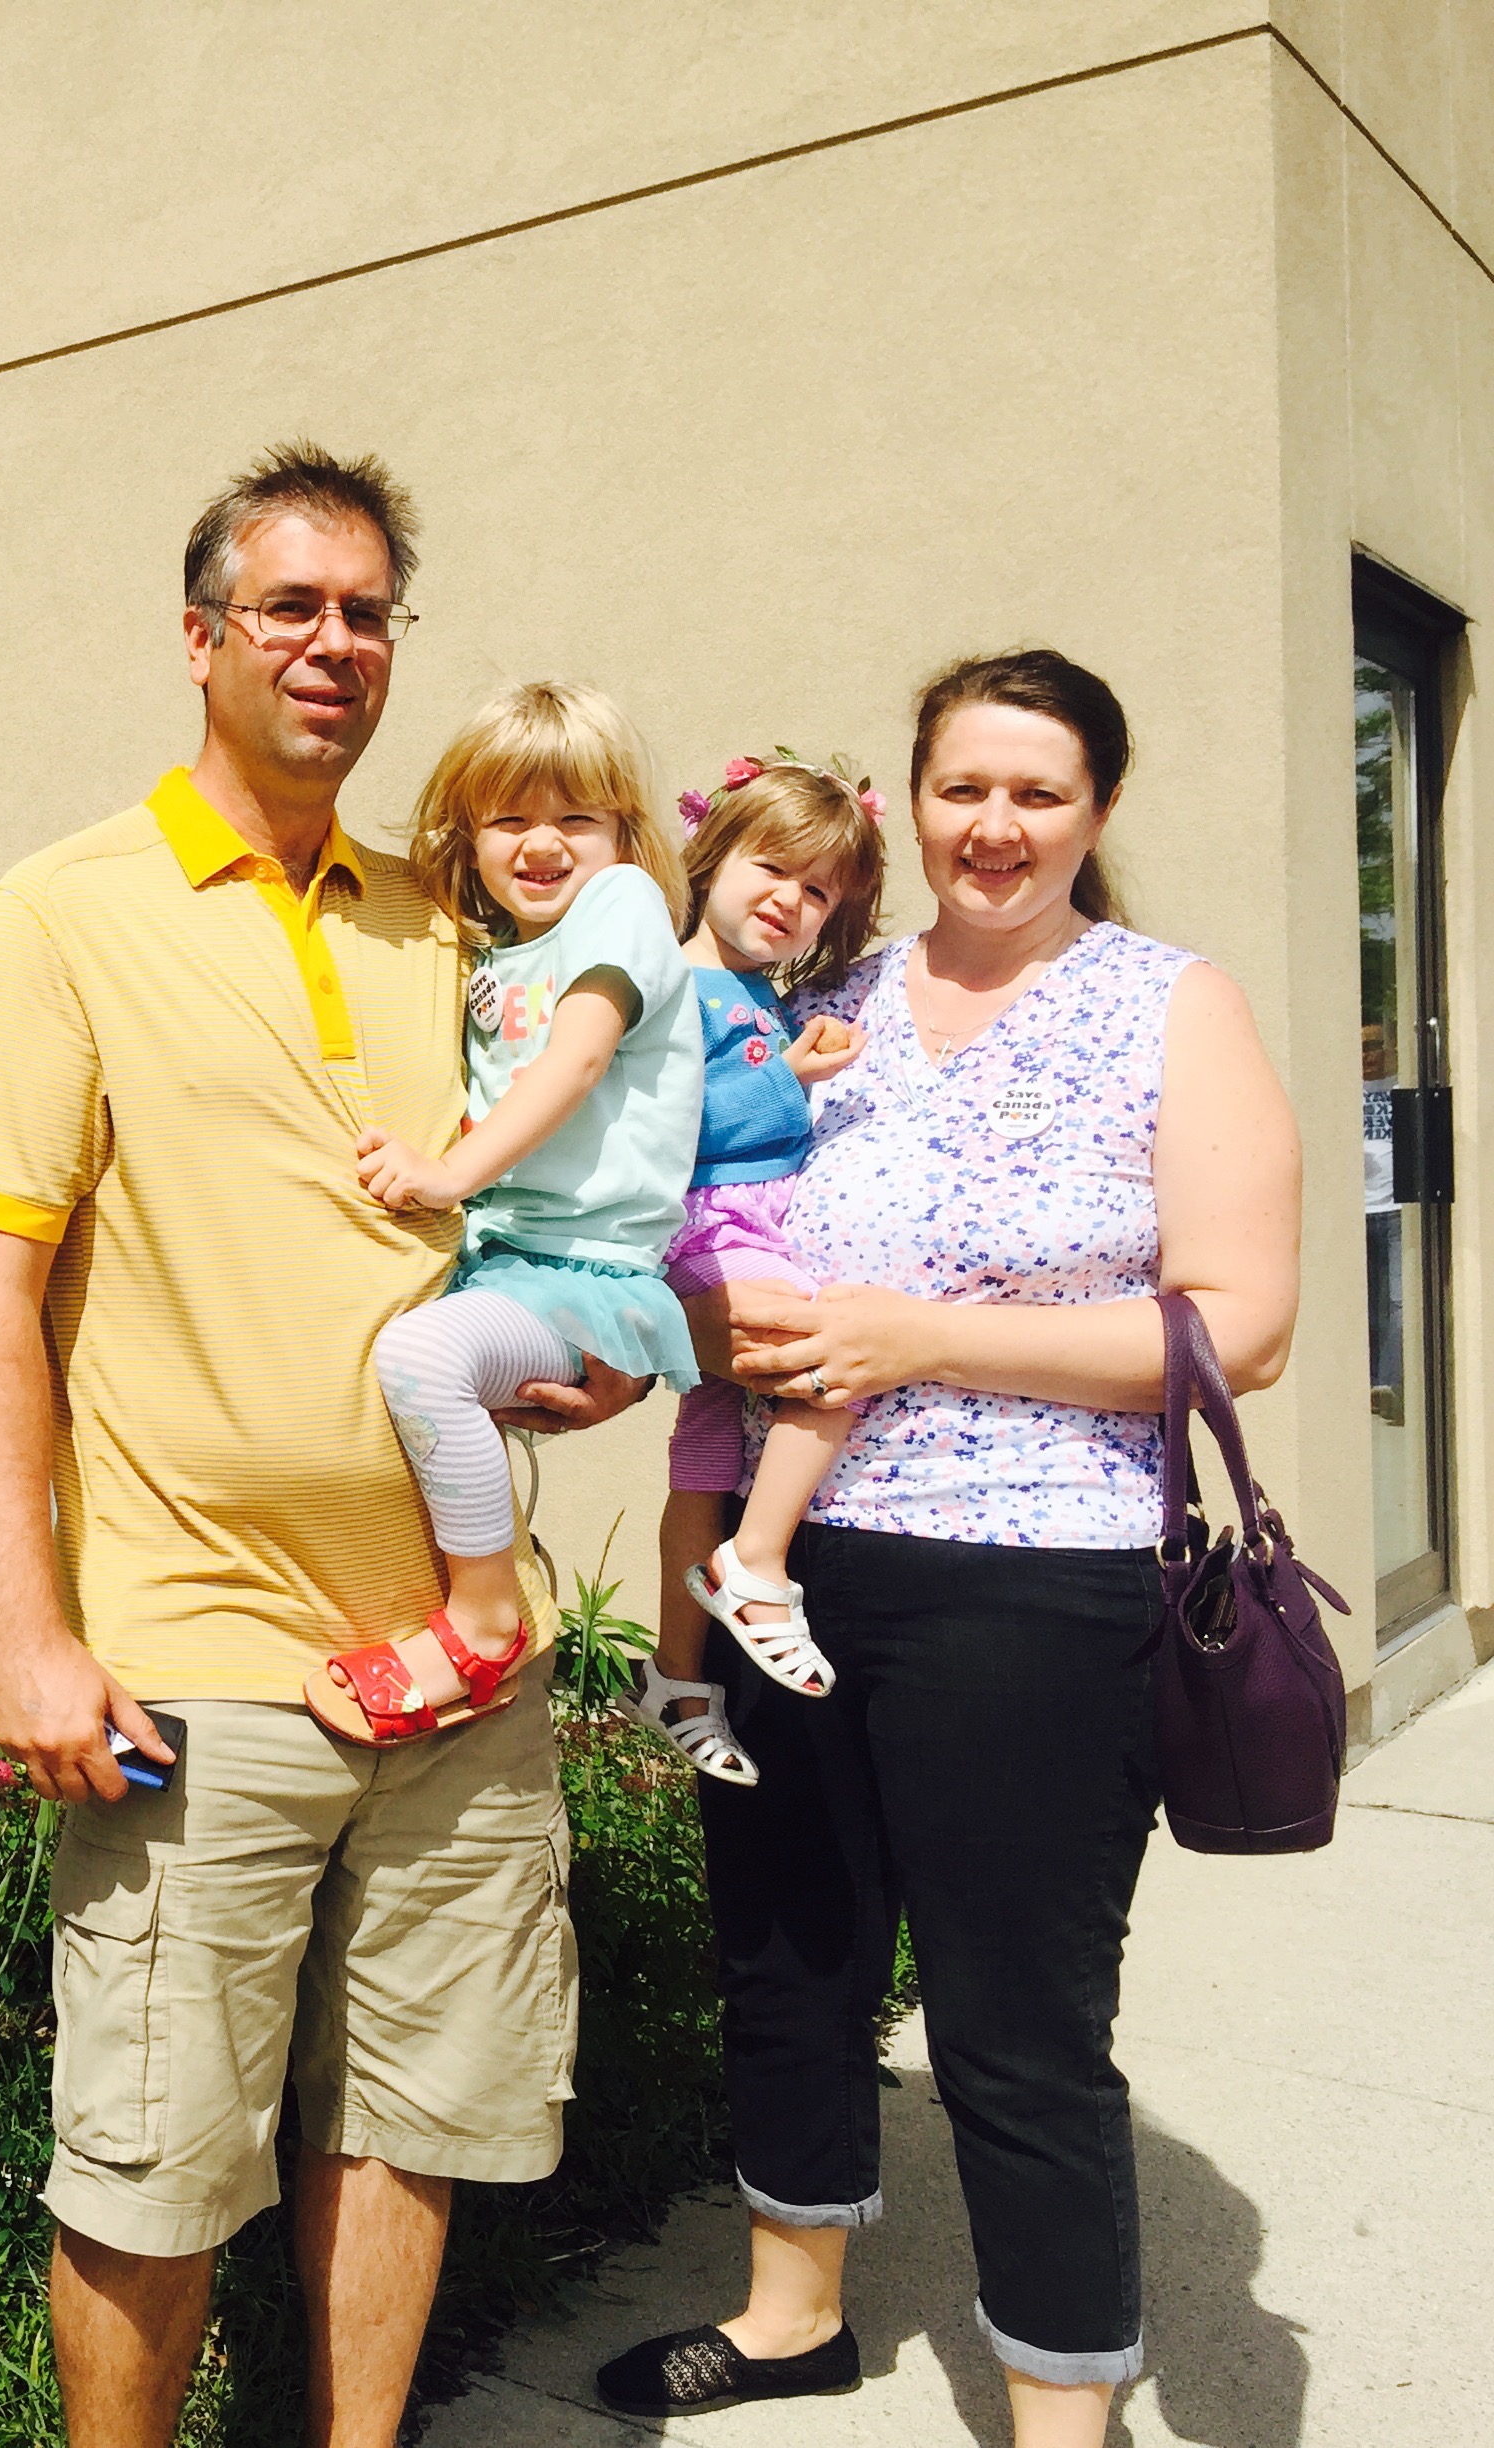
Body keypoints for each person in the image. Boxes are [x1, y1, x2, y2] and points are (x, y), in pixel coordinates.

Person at [0, 442, 647, 2448]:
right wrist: (27, 1630)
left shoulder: (449, 927)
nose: (334, 645)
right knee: (152, 2165)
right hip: (193, 1661)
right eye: (291, 608)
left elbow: (550, 1211)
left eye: (369, 611)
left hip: (448, 1662)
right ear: (202, 638)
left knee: (410, 2121)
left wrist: (594, 1355)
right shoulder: (68, 912)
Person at [595, 651, 1301, 2446]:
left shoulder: (1164, 1003)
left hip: (1035, 1575)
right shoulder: (810, 992)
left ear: (1095, 812)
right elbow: (692, 1213)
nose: (990, 826)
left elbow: (1241, 1322)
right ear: (909, 799)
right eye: (959, 787)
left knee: (1014, 2021)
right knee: (786, 1951)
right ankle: (787, 2311)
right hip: (787, 1555)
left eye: (1035, 793)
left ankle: (1057, 2412)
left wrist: (922, 1338)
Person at [317, 683, 704, 1746]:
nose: (545, 844)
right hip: (508, 1262)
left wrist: (446, 1176)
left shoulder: (619, 908)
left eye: (577, 818)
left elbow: (576, 1061)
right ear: (469, 832)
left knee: (420, 1361)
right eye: (511, 819)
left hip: (580, 1270)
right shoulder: (487, 950)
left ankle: (486, 1617)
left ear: (624, 833)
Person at [635, 757, 888, 1783]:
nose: (792, 900)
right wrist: (788, 1072)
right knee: (832, 1363)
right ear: (710, 857)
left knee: (706, 1456)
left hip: (741, 1227)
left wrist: (792, 1045)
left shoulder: (750, 992)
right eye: (771, 867)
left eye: (819, 890)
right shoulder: (674, 989)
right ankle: (757, 1564)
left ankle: (675, 1679)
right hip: (711, 1227)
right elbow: (672, 1122)